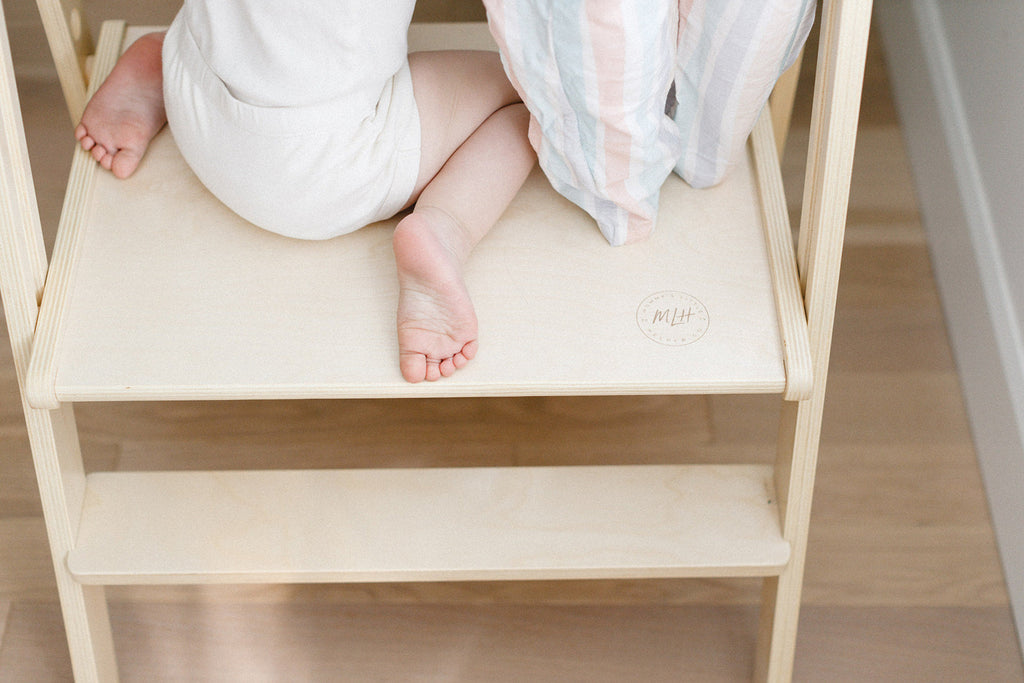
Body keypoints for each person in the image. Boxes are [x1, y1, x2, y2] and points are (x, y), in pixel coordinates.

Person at [73, 2, 536, 383]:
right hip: (316, 173)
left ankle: (156, 64)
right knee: (532, 94)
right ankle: (443, 228)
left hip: (192, 82)